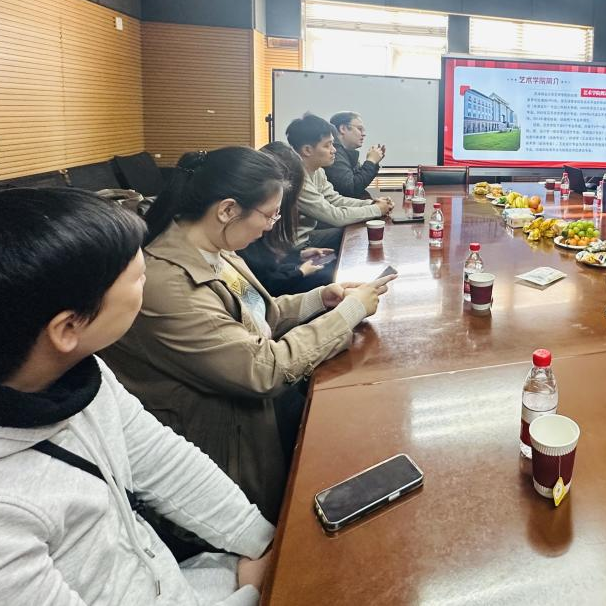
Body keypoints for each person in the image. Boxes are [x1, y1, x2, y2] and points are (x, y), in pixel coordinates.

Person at [0, 187, 274, 605]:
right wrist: (256, 592)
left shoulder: (77, 375)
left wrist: (267, 545)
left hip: (169, 580)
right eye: (137, 278)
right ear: (68, 329)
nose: (148, 280)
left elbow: (164, 460)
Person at [101, 146, 395, 521]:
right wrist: (349, 314)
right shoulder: (170, 284)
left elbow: (260, 315)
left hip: (258, 416)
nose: (271, 226)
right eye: (269, 215)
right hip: (227, 447)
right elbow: (262, 369)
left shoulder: (216, 250)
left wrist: (322, 298)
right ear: (227, 210)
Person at [239, 142, 337, 296]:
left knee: (332, 266)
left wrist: (299, 256)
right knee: (330, 276)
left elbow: (271, 261)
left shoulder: (259, 217)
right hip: (274, 290)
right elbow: (264, 284)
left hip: (283, 277)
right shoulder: (247, 227)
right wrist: (299, 272)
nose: (270, 224)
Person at [286, 114, 392, 247]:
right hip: (297, 245)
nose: (334, 150)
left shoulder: (317, 170)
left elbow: (335, 199)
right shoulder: (296, 178)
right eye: (327, 145)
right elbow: (335, 216)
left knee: (357, 232)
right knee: (356, 235)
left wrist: (371, 203)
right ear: (307, 150)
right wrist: (376, 209)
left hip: (310, 234)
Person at [327, 111, 384, 199]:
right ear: (343, 128)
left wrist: (374, 163)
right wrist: (371, 161)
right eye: (359, 129)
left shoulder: (346, 152)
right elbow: (352, 188)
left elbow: (360, 182)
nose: (364, 134)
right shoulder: (334, 154)